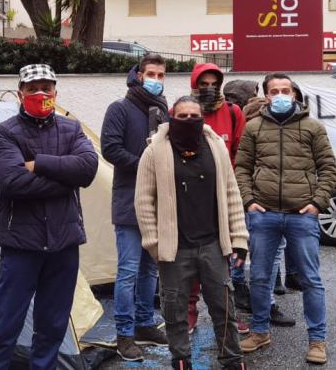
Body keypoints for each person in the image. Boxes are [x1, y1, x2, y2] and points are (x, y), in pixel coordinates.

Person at [0, 64, 99, 370]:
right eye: (33, 89)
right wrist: (66, 176)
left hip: (64, 245)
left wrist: (40, 163)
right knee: (4, 328)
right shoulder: (5, 132)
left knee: (52, 328)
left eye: (46, 88)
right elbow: (12, 182)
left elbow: (87, 169)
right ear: (20, 94)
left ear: (55, 93)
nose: (40, 94)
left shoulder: (71, 128)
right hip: (20, 245)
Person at [135, 96, 249, 370]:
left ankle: (232, 359)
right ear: (172, 118)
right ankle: (181, 359)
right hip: (175, 247)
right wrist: (154, 244)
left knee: (223, 307)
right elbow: (143, 201)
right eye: (182, 116)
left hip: (212, 243)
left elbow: (231, 193)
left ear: (202, 118)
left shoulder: (216, 146)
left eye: (193, 116)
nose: (188, 121)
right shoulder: (154, 152)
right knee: (174, 311)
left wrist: (239, 238)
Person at [235, 72, 336, 365]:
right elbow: (242, 168)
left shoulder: (313, 127)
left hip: (301, 216)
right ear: (266, 96)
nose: (280, 95)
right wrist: (249, 201)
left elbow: (328, 168)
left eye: (285, 90)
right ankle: (259, 331)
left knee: (310, 279)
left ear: (294, 94)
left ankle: (317, 340)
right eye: (274, 90)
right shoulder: (254, 127)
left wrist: (317, 203)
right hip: (263, 214)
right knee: (260, 277)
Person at [100, 54, 170, 361]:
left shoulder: (164, 110)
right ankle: (124, 334)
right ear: (139, 75)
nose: (156, 78)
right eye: (150, 73)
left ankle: (144, 323)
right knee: (128, 270)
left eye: (161, 74)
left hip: (159, 203)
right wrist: (146, 165)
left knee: (150, 269)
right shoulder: (119, 109)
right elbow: (110, 148)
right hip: (129, 201)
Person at [187, 65, 250, 333]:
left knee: (223, 257)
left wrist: (233, 187)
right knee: (188, 258)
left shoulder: (234, 113)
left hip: (222, 197)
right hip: (190, 197)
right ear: (195, 84)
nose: (209, 88)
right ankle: (189, 311)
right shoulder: (185, 111)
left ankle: (227, 314)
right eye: (203, 83)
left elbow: (241, 153)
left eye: (214, 83)